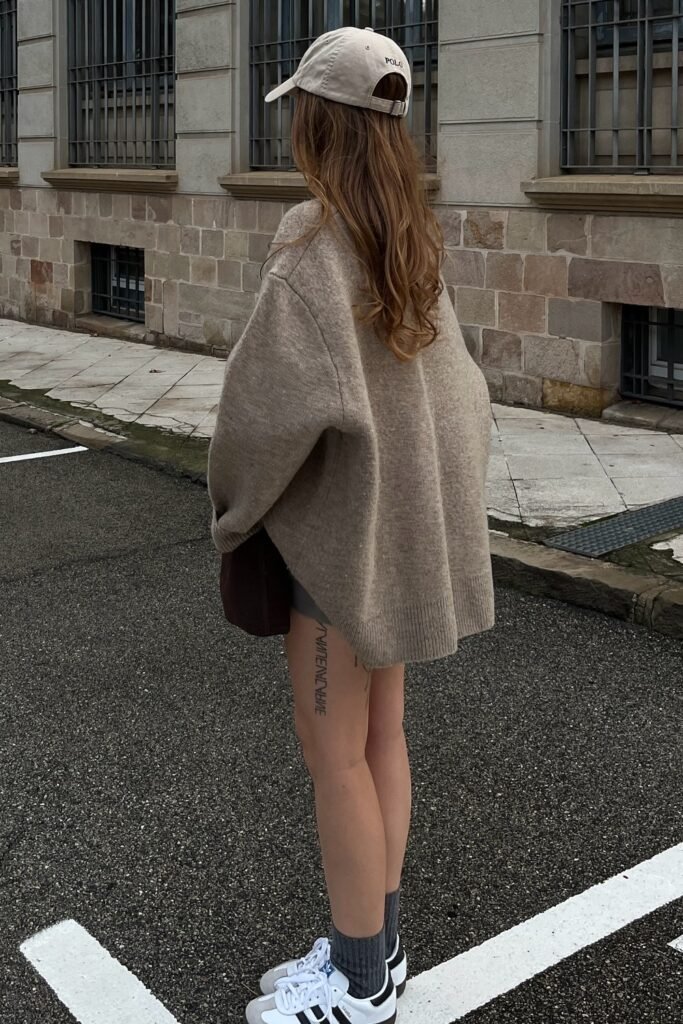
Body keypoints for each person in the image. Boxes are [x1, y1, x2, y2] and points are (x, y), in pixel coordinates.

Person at [207, 25, 495, 1024]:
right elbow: (464, 399)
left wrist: (233, 512)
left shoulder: (310, 249)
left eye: (296, 108)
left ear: (317, 124)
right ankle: (372, 944)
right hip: (396, 538)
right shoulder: (410, 240)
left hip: (337, 548)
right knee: (382, 740)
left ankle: (361, 983)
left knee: (333, 753)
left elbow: (257, 420)